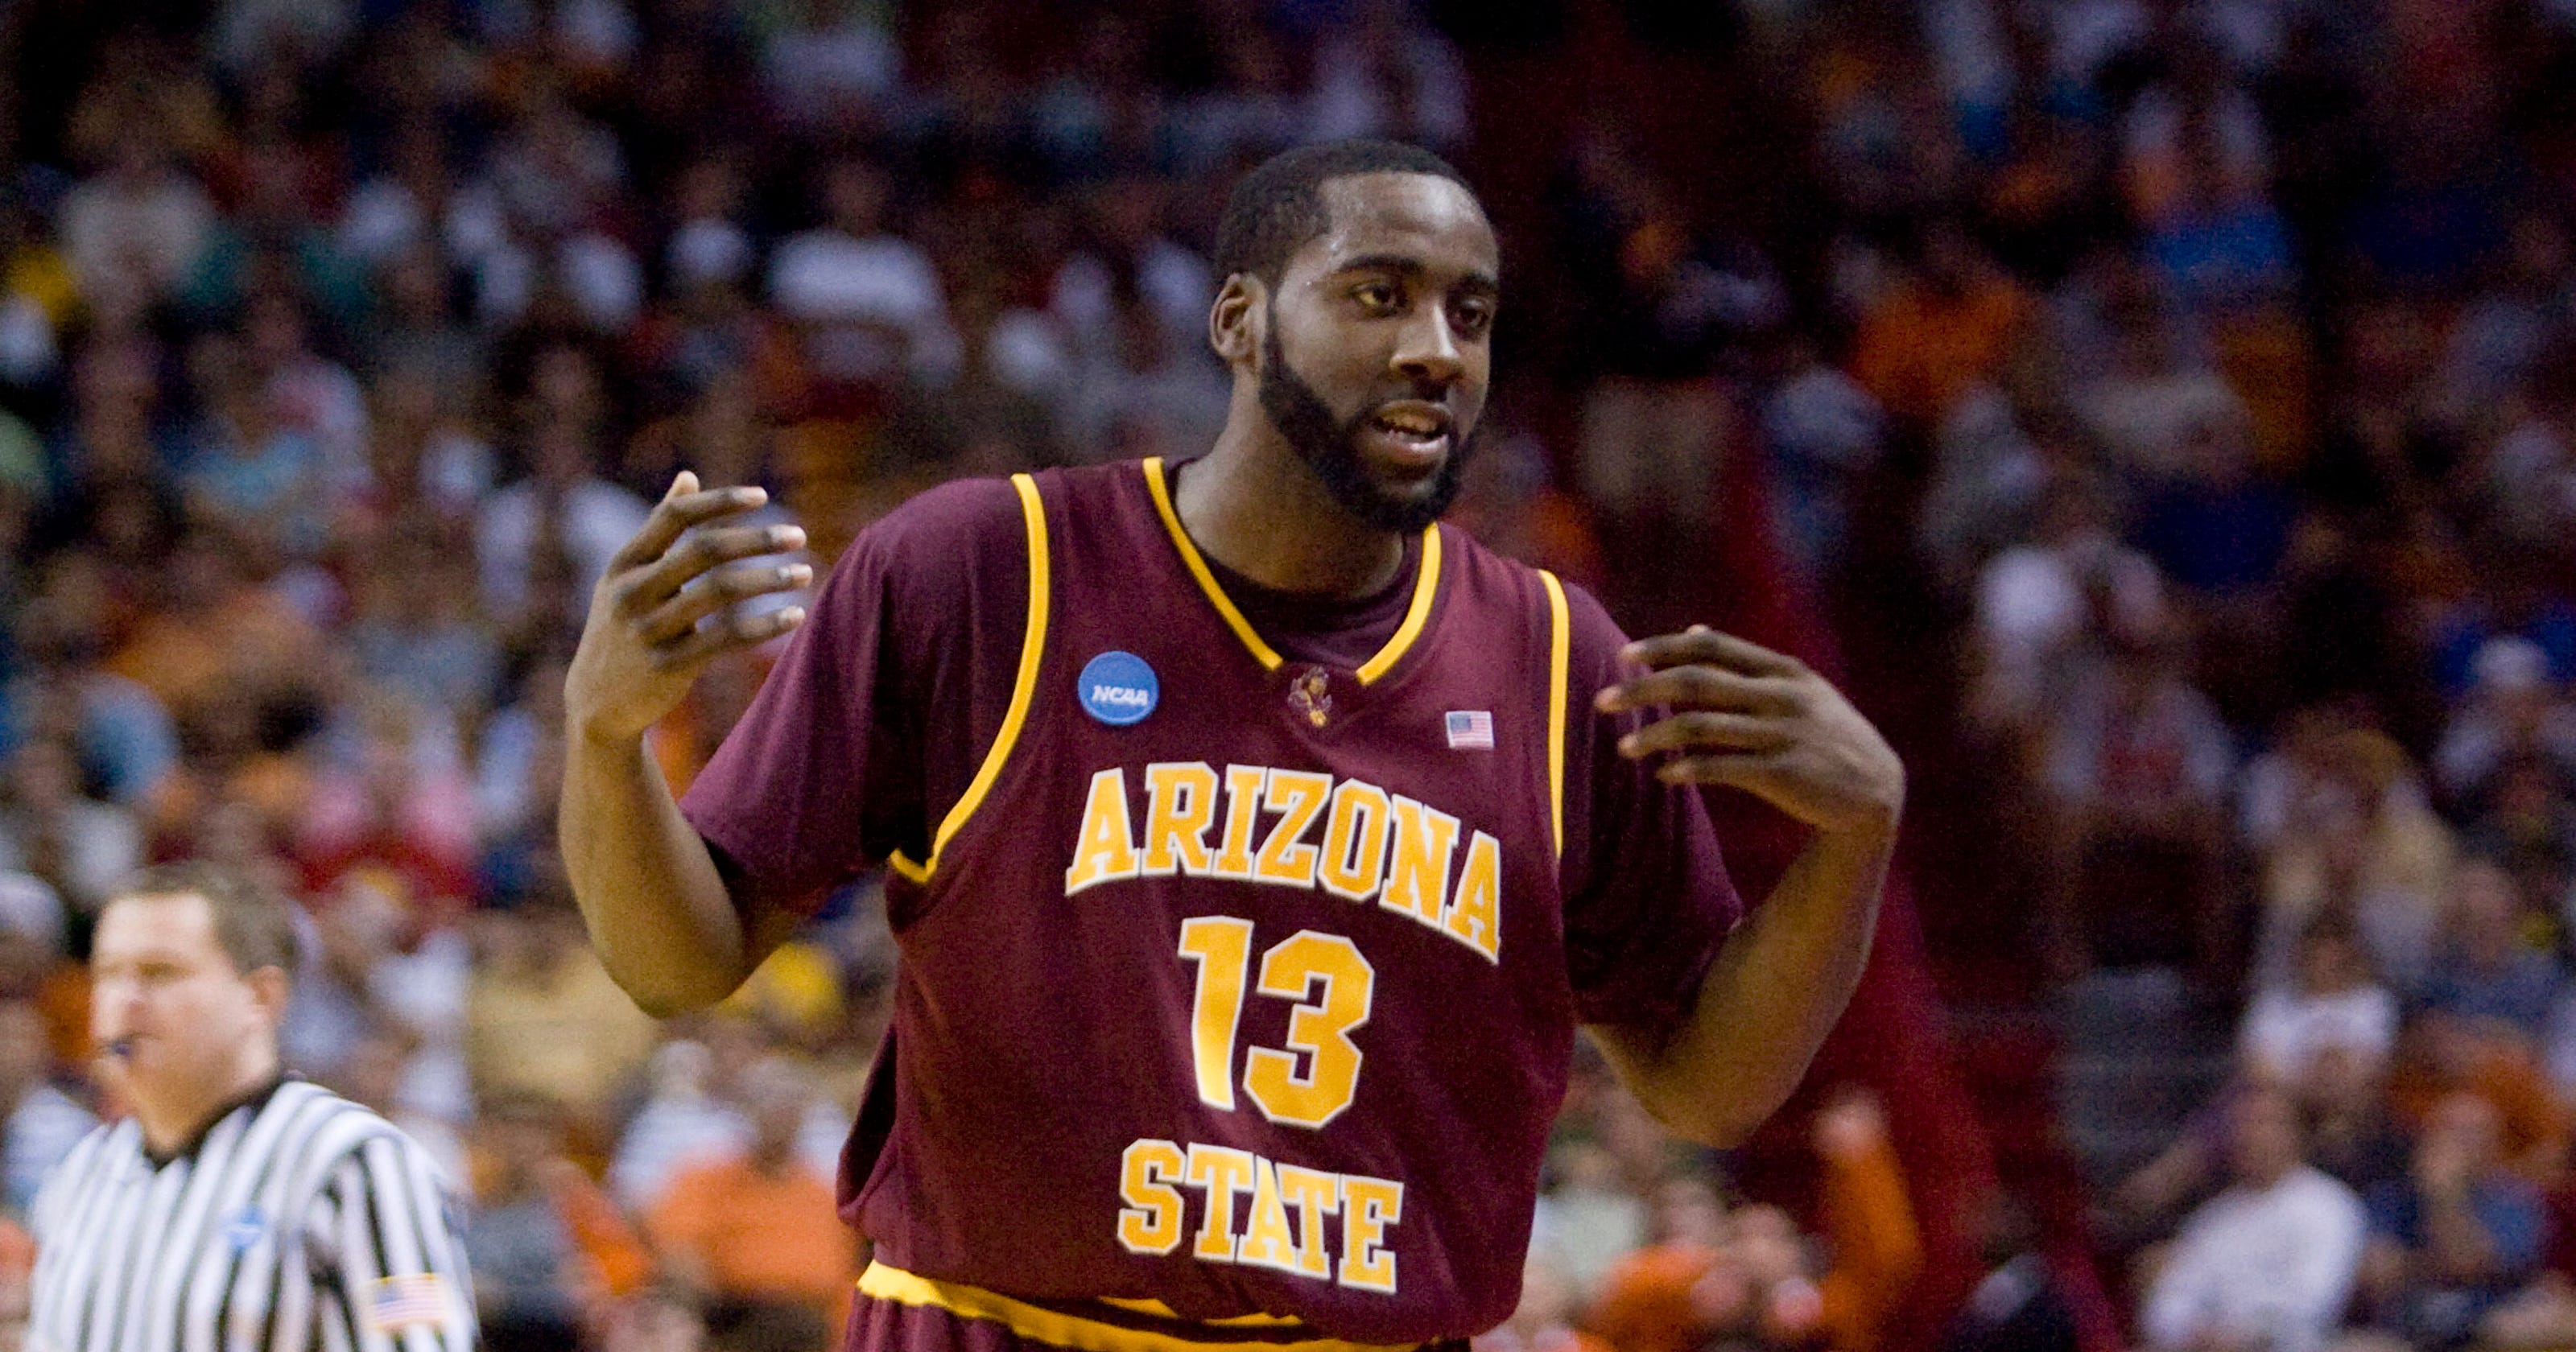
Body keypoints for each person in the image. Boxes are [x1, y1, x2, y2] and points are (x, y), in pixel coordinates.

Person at [562, 139, 1905, 1350]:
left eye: (1472, 313)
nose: (1438, 347)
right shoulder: (987, 570)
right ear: (1240, 321)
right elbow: (677, 960)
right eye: (1379, 294)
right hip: (1004, 1328)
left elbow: (1704, 1086)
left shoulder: (1560, 663)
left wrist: (1855, 837)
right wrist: (607, 736)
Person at [25, 862, 475, 1351]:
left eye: (161, 973)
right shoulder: (80, 1176)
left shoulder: (356, 1166)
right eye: (109, 973)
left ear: (260, 997)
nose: (125, 1000)